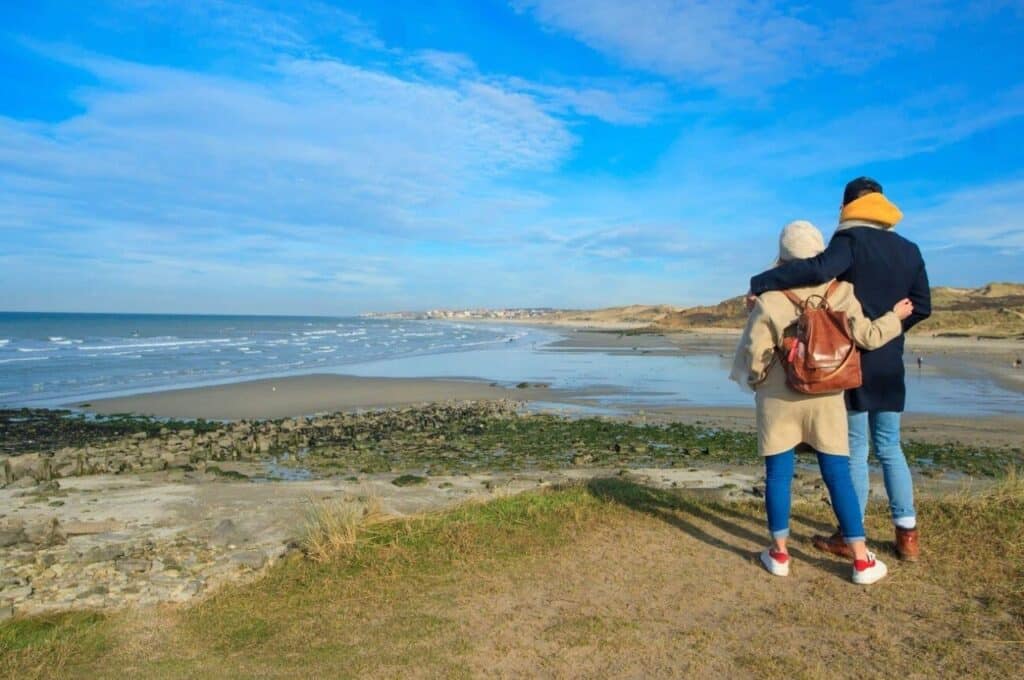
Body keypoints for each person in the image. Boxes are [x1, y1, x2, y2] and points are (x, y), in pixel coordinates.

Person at [748, 178, 931, 561]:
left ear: (848, 207)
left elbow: (814, 270)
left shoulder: (850, 242)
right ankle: (907, 533)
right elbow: (922, 305)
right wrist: (893, 331)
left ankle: (852, 535)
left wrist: (761, 282)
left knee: (857, 449)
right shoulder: (911, 250)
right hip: (890, 356)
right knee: (890, 446)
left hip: (849, 360)